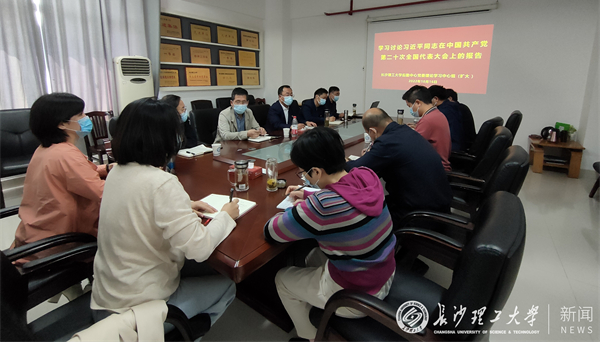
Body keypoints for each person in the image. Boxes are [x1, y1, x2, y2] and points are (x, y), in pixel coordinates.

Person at [91, 97, 240, 327]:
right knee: (228, 286)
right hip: (138, 310)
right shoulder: (161, 182)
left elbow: (140, 206)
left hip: (108, 295)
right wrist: (226, 215)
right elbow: (199, 249)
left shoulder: (116, 173)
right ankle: (177, 332)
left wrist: (185, 205)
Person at [264, 127, 396, 341]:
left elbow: (271, 232)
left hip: (357, 296)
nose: (304, 176)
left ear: (316, 172)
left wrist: (302, 208)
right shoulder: (365, 175)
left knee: (283, 278)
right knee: (311, 257)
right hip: (385, 270)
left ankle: (310, 337)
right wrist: (308, 193)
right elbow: (344, 191)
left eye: (304, 172)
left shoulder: (322, 206)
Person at [14, 93, 109, 247]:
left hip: (34, 235)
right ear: (62, 124)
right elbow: (102, 192)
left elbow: (74, 174)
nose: (86, 118)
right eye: (80, 114)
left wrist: (107, 168)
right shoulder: (66, 154)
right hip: (61, 243)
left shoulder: (46, 149)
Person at [345, 108, 452, 226]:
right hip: (439, 206)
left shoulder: (387, 142)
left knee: (361, 215)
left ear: (372, 131)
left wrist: (343, 161)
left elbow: (355, 169)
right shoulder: (406, 131)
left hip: (418, 215)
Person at [402, 85, 452, 171]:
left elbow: (411, 146)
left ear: (418, 103)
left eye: (410, 106)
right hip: (436, 164)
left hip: (433, 168)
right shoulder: (437, 114)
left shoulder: (428, 120)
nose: (411, 109)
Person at [428, 85, 465, 152]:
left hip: (450, 147)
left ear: (436, 99)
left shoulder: (444, 111)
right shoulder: (450, 107)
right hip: (456, 144)